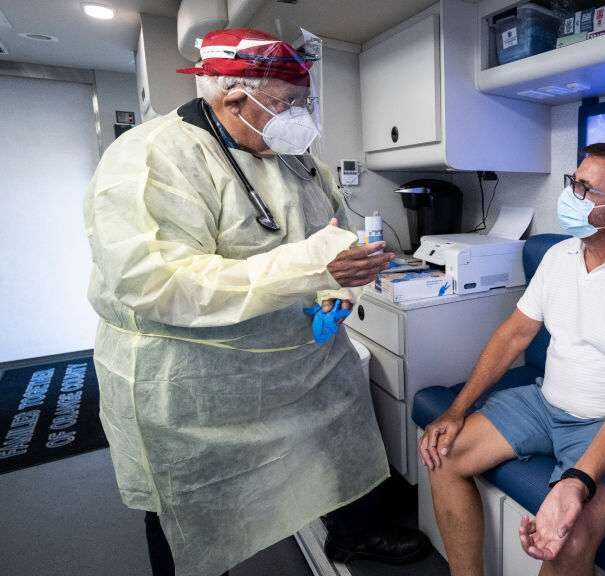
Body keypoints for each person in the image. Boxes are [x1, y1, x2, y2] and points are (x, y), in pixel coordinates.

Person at [84, 28, 426, 576]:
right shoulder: (153, 158)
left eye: (303, 102)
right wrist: (310, 270)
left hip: (301, 360)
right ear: (233, 98)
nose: (301, 117)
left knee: (338, 444)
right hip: (200, 378)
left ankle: (355, 536)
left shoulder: (295, 159)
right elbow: (155, 282)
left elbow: (330, 234)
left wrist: (337, 288)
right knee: (193, 496)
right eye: (288, 103)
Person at [419, 143, 605, 576]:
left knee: (572, 533)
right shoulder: (559, 256)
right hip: (547, 403)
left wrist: (577, 483)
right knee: (443, 456)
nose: (570, 196)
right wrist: (456, 409)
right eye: (573, 182)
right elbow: (513, 336)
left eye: (585, 190)